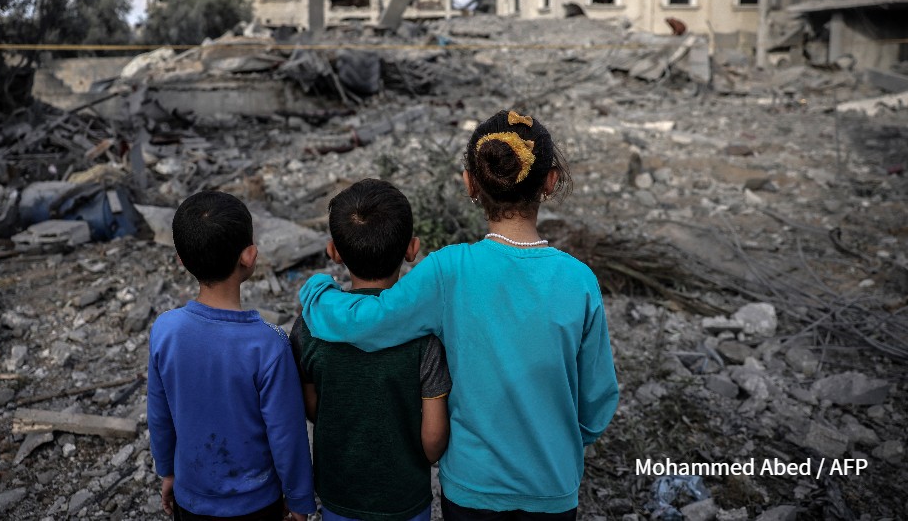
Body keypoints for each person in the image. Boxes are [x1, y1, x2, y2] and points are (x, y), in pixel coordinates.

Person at [299, 110, 619, 520]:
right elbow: (597, 399)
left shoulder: (449, 271)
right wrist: (564, 440)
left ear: (470, 182)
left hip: (471, 487)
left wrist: (316, 291)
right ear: (550, 181)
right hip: (552, 484)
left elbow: (368, 320)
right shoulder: (579, 280)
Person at [147, 190, 315, 521]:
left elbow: (159, 415)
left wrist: (167, 472)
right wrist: (299, 500)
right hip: (256, 504)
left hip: (190, 497)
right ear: (249, 256)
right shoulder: (269, 344)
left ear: (180, 258)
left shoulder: (164, 330)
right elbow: (287, 435)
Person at [290, 178, 451, 521]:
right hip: (405, 500)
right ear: (412, 249)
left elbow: (312, 407)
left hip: (338, 495)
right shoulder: (426, 336)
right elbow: (433, 441)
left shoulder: (310, 325)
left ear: (334, 252)